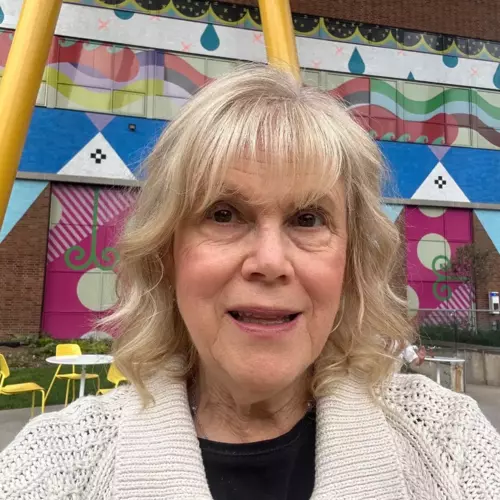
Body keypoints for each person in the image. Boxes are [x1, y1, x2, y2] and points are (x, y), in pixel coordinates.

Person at [1, 65, 499, 500]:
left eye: (308, 219)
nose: (270, 261)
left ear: (351, 264)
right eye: (223, 214)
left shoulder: (452, 445)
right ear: (165, 253)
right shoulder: (53, 467)